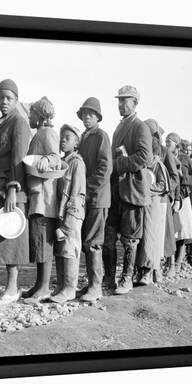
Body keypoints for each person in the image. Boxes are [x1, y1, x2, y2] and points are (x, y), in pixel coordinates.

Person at [104, 85, 152, 296]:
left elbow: (144, 157)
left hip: (132, 191)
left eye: (125, 100)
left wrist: (118, 164)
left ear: (135, 103)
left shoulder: (140, 127)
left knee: (130, 240)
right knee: (109, 238)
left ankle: (126, 279)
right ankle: (109, 278)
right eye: (119, 100)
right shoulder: (120, 126)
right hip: (116, 191)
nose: (120, 104)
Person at [0, 79, 31, 305]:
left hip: (11, 191)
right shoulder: (0, 122)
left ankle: (12, 289)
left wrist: (13, 188)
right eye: (0, 97)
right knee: (3, 238)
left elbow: (19, 159)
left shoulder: (19, 123)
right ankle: (9, 288)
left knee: (11, 238)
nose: (4, 102)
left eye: (9, 98)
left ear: (17, 100)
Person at [22, 97, 60, 303]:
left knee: (43, 243)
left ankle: (44, 287)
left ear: (40, 116)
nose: (29, 116)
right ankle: (39, 284)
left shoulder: (47, 133)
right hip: (37, 197)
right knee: (38, 242)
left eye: (32, 113)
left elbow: (56, 157)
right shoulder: (39, 134)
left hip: (45, 200)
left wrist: (46, 159)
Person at [76, 97, 112, 301]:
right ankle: (91, 283)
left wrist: (85, 188)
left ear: (98, 117)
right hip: (88, 197)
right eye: (84, 114)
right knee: (87, 242)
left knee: (93, 243)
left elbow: (104, 169)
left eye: (90, 114)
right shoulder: (85, 137)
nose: (86, 117)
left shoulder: (101, 136)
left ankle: (96, 287)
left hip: (97, 198)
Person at [52, 124, 86, 303]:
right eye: (62, 137)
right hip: (61, 213)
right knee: (60, 248)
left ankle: (70, 289)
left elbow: (77, 193)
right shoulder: (63, 162)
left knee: (69, 248)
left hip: (72, 213)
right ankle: (60, 286)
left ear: (76, 143)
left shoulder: (76, 163)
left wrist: (70, 215)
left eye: (68, 138)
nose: (63, 140)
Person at [135, 119, 170, 285]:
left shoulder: (158, 164)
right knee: (139, 237)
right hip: (140, 202)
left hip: (152, 204)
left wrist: (147, 189)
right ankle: (140, 270)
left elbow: (164, 185)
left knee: (150, 238)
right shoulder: (141, 159)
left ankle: (148, 272)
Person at [174, 139, 192, 271]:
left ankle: (178, 262)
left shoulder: (188, 160)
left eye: (186, 150)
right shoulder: (168, 157)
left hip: (184, 197)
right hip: (171, 197)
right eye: (184, 149)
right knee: (173, 231)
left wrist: (182, 177)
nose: (185, 152)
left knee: (183, 231)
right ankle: (171, 262)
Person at [161, 132, 181, 276]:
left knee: (170, 231)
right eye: (166, 140)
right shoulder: (163, 152)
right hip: (163, 196)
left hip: (170, 197)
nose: (167, 143)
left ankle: (172, 265)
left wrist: (177, 198)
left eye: (170, 141)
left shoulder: (173, 157)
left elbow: (176, 179)